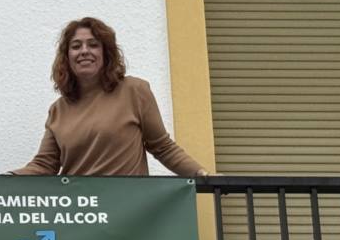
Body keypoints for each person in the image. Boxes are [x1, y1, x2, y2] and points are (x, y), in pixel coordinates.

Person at [12, 17, 208, 177]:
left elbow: (163, 147)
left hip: (127, 207)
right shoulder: (58, 110)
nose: (84, 51)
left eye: (93, 45)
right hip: (81, 208)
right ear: (67, 57)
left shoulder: (135, 91)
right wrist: (7, 179)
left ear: (106, 53)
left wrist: (201, 174)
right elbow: (44, 164)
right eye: (76, 46)